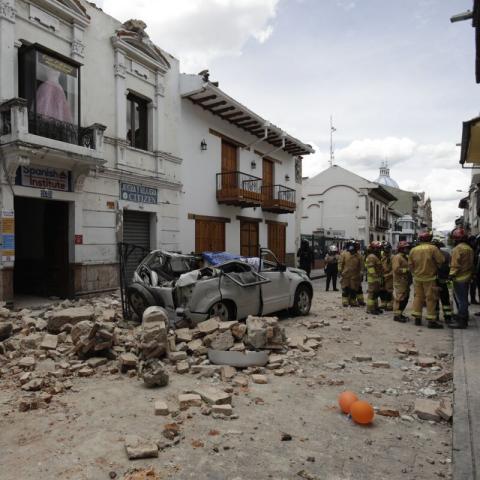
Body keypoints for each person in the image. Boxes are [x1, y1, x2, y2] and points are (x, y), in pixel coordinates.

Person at [408, 231, 444, 328]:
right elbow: (441, 261)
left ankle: (417, 319)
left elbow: (410, 265)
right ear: (430, 239)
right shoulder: (433, 248)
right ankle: (431, 321)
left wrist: (415, 273)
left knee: (418, 297)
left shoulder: (413, 250)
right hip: (430, 278)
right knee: (431, 298)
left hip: (417, 278)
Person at [448, 227, 475, 329]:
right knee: (463, 299)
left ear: (456, 239)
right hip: (467, 276)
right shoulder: (469, 248)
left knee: (461, 300)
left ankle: (462, 321)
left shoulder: (457, 249)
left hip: (459, 278)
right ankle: (463, 316)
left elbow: (455, 265)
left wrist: (451, 275)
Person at [432, 238, 452, 325]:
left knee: (434, 299)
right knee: (445, 299)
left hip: (433, 281)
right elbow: (450, 267)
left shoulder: (430, 255)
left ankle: (435, 316)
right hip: (443, 280)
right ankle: (447, 317)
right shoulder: (446, 254)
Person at [339, 241, 362, 307]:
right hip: (346, 275)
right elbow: (340, 263)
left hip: (355, 276)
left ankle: (353, 301)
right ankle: (345, 301)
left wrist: (361, 273)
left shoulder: (359, 256)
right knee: (345, 288)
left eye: (353, 250)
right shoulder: (344, 254)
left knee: (353, 289)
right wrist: (339, 271)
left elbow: (361, 266)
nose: (351, 252)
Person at [392, 241, 411, 323]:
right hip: (400, 281)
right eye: (406, 248)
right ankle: (397, 316)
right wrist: (406, 270)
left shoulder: (404, 257)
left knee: (405, 298)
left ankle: (400, 313)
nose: (407, 249)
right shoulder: (397, 257)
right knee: (400, 298)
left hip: (405, 281)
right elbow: (396, 269)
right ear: (401, 249)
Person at [365, 241, 384, 314]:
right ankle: (370, 309)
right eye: (378, 248)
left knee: (376, 294)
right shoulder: (371, 256)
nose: (380, 250)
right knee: (372, 294)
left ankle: (375, 307)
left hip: (377, 278)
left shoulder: (376, 256)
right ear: (374, 249)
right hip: (373, 279)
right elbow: (370, 268)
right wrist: (375, 276)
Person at [380, 241, 394, 311]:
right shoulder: (382, 257)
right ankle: (383, 303)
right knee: (382, 290)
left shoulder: (392, 258)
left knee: (389, 290)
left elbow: (394, 269)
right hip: (382, 276)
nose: (386, 251)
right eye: (384, 249)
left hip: (389, 277)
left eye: (387, 249)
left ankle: (390, 304)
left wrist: (388, 275)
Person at [353, 241, 366, 306]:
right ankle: (352, 301)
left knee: (359, 289)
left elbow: (362, 265)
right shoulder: (346, 254)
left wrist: (361, 274)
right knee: (352, 289)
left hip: (357, 275)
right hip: (350, 276)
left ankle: (360, 301)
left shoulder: (359, 256)